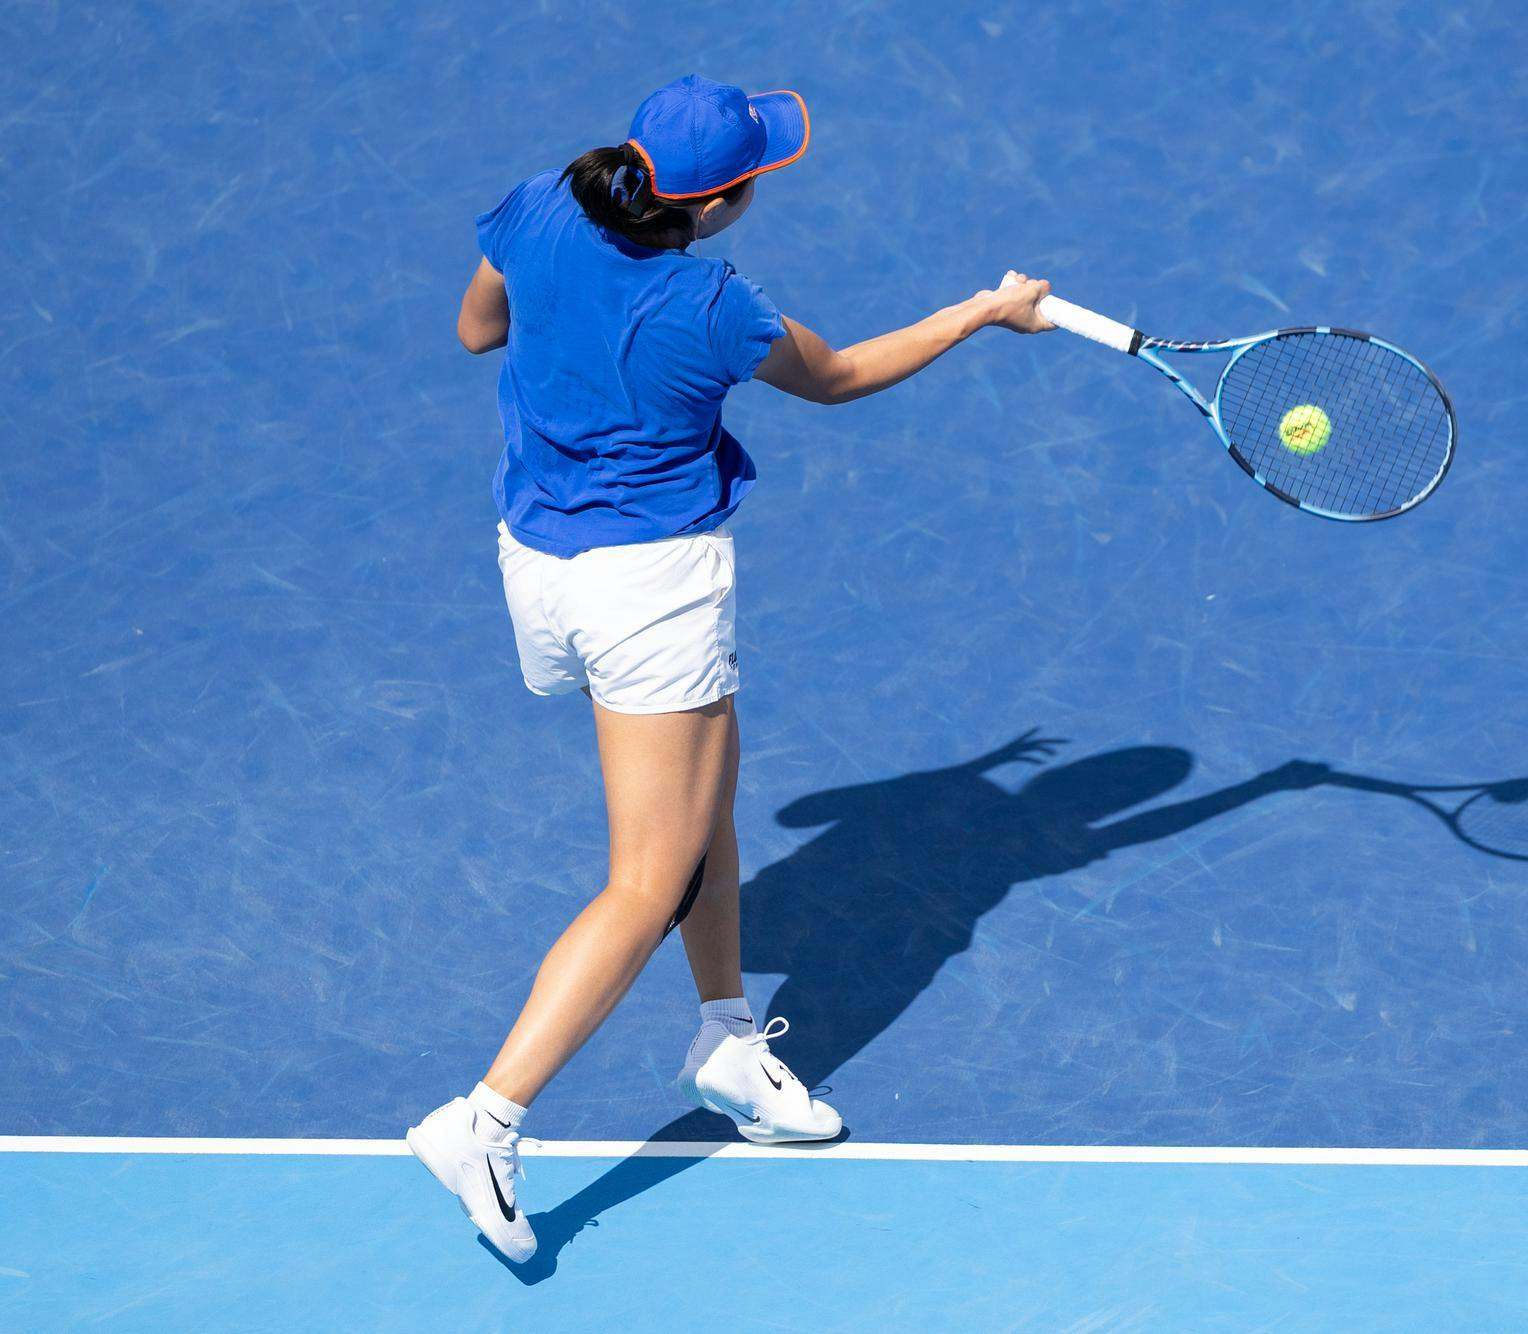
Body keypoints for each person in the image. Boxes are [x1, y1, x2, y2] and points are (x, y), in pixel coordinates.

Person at [405, 74, 1054, 1262]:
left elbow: (476, 328)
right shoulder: (713, 306)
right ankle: (483, 1121)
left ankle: (726, 1043)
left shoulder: (549, 199)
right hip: (647, 591)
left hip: (537, 560)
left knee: (707, 804)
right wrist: (980, 312)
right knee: (646, 878)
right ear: (721, 202)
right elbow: (842, 375)